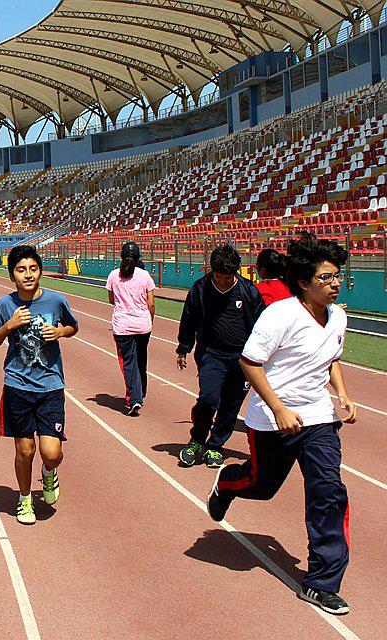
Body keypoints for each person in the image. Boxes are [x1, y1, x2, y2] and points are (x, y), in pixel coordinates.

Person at [208, 233, 356, 615]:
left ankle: (321, 583)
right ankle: (226, 483)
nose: (335, 283)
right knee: (261, 486)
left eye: (338, 276)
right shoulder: (280, 315)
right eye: (326, 277)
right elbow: (249, 362)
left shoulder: (339, 316)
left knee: (329, 492)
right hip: (273, 420)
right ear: (304, 282)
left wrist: (342, 394)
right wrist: (278, 409)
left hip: (319, 418)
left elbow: (331, 358)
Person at [0, 245, 79, 525]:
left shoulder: (56, 301)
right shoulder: (4, 306)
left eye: (33, 268)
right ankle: (25, 499)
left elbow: (73, 327)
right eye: (21, 270)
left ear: (40, 271)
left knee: (51, 453)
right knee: (24, 450)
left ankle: (49, 472)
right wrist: (9, 326)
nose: (28, 274)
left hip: (50, 387)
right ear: (12, 275)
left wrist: (60, 331)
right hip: (17, 387)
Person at [176, 245, 265, 469]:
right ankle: (197, 440)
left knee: (231, 404)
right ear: (211, 271)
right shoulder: (200, 289)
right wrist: (183, 347)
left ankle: (215, 445)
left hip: (242, 358)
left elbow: (262, 326)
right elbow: (189, 318)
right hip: (211, 354)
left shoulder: (248, 291)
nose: (223, 282)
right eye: (218, 277)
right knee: (208, 398)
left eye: (227, 278)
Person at [106, 241, 156, 416]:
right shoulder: (145, 276)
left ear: (121, 256)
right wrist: (150, 320)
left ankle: (135, 399)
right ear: (138, 257)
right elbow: (151, 304)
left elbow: (111, 300)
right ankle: (141, 390)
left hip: (123, 326)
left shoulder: (114, 275)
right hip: (143, 325)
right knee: (141, 358)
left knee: (128, 363)